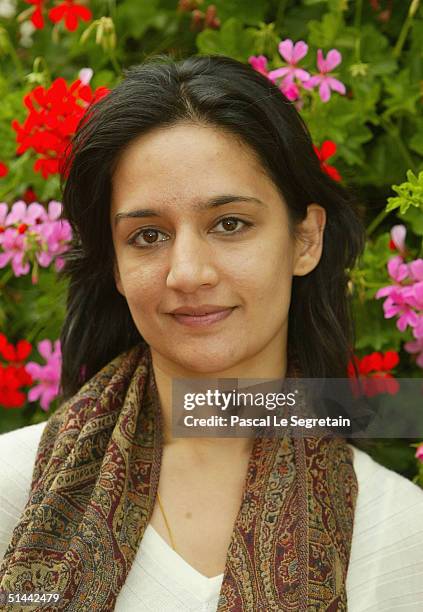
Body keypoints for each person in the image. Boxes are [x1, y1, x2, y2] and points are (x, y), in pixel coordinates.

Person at [1, 54, 423, 612]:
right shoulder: (15, 492)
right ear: (115, 268)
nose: (188, 273)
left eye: (230, 224)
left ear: (305, 240)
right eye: (147, 235)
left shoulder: (399, 536)